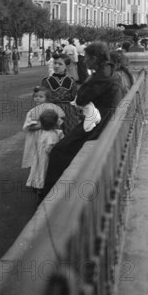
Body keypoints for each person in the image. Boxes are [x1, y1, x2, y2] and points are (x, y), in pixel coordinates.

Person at [43, 42, 125, 198]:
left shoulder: (100, 75)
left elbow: (81, 99)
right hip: (108, 118)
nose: (84, 61)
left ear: (94, 58)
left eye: (86, 57)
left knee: (59, 151)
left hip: (99, 122)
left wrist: (87, 80)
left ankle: (51, 196)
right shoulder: (110, 70)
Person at [22, 87, 65, 174]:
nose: (37, 98)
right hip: (35, 138)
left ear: (47, 99)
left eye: (41, 97)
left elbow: (58, 123)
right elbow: (29, 127)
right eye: (36, 96)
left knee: (48, 157)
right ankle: (35, 178)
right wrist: (44, 124)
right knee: (35, 157)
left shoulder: (52, 110)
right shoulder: (32, 112)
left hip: (49, 136)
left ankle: (47, 177)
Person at [25, 109, 64, 195]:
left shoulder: (44, 132)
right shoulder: (52, 135)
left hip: (39, 156)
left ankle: (37, 186)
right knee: (44, 172)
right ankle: (41, 189)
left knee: (38, 171)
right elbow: (50, 148)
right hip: (46, 158)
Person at [41, 54, 79, 135]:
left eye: (60, 64)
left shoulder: (71, 81)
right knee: (53, 135)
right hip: (52, 110)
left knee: (69, 134)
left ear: (67, 67)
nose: (56, 66)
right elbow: (43, 97)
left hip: (69, 112)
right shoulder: (46, 81)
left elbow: (74, 97)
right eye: (55, 63)